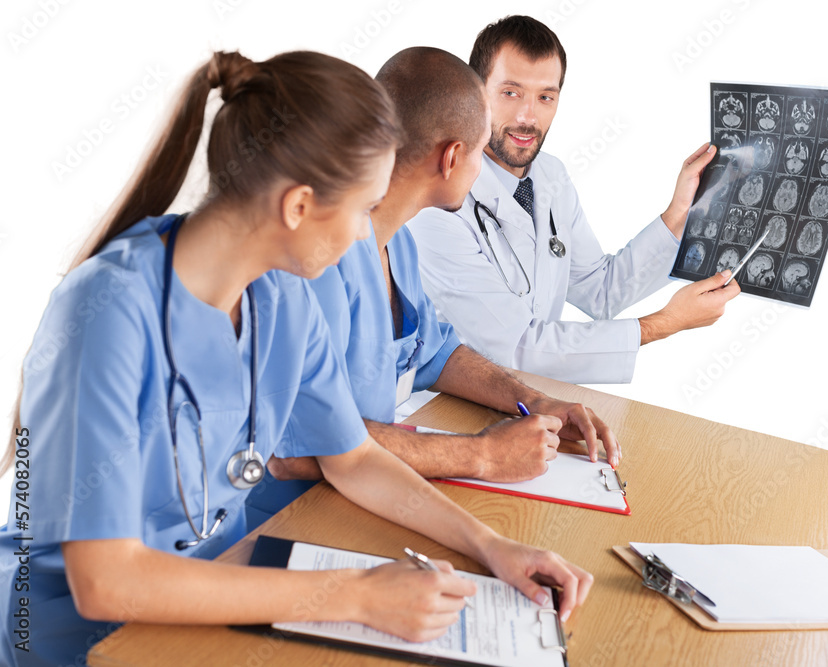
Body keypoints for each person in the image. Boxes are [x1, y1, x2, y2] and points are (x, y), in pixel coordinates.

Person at [0, 50, 591, 667]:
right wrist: (356, 596)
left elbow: (353, 459)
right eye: (362, 209)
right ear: (298, 206)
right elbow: (106, 581)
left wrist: (492, 547)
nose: (364, 235)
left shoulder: (279, 296)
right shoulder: (106, 313)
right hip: (77, 638)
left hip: (220, 597)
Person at [251, 48, 620, 522]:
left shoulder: (400, 245)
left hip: (361, 501)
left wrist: (533, 402)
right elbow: (296, 449)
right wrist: (482, 455)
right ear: (451, 158)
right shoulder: (321, 263)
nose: (484, 168)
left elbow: (435, 353)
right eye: (481, 151)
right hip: (288, 520)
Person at [407, 15, 742, 385]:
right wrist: (667, 322)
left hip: (528, 399)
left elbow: (600, 291)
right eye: (511, 93)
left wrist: (680, 212)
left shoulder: (551, 176)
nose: (528, 117)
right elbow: (517, 348)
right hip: (447, 406)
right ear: (476, 94)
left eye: (545, 97)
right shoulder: (437, 202)